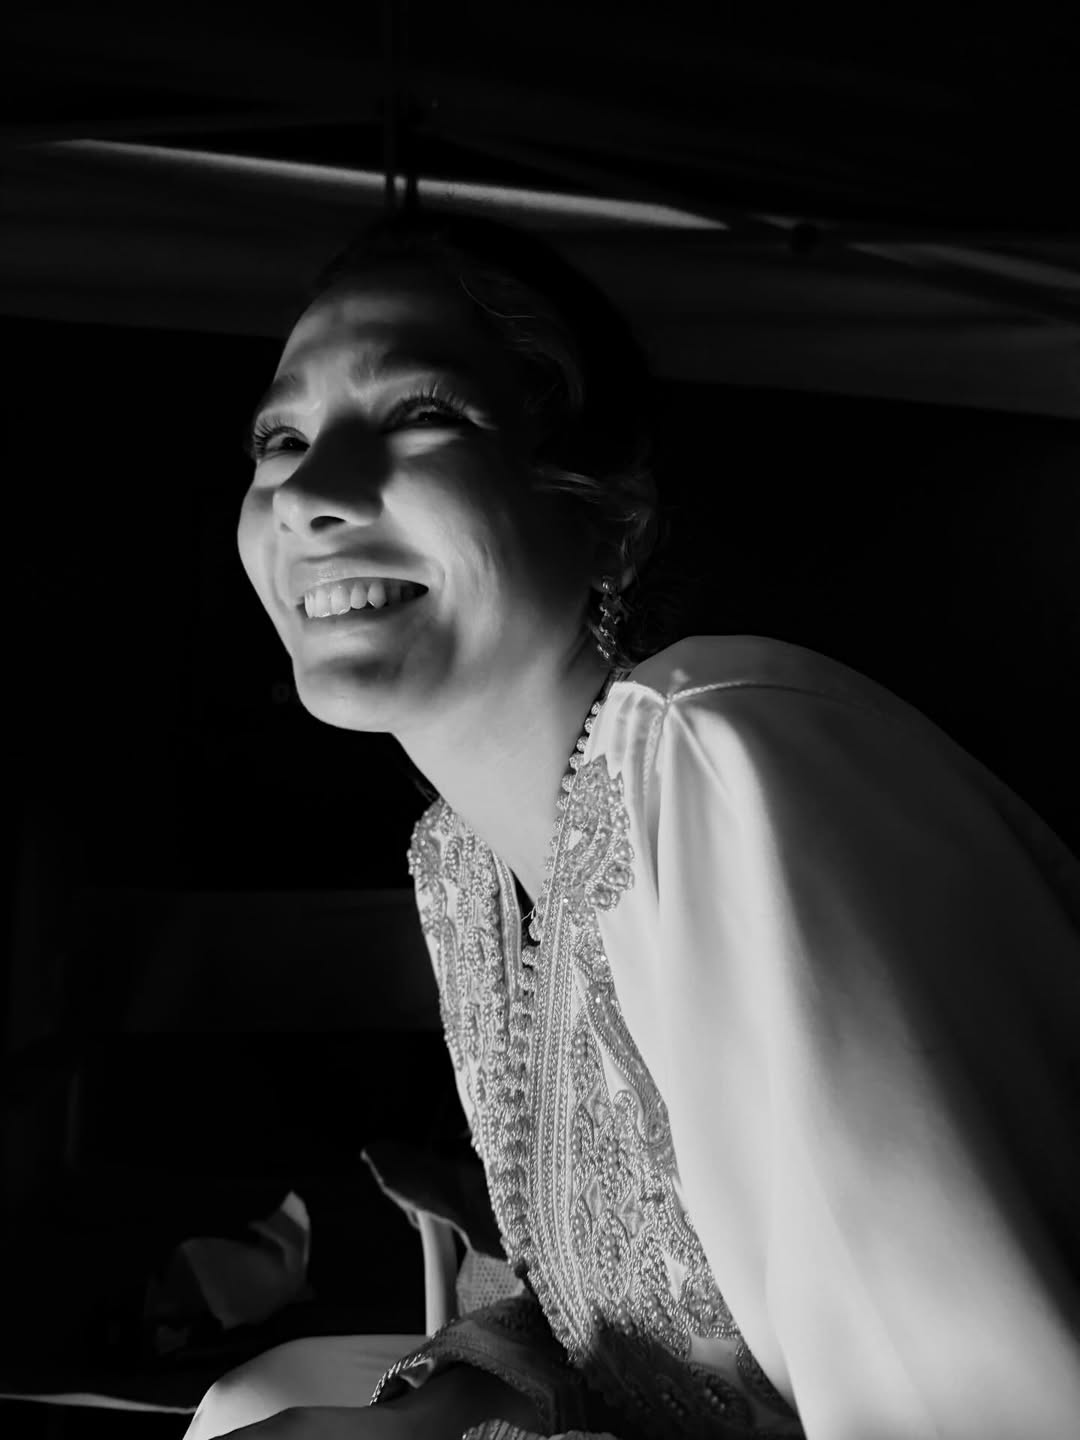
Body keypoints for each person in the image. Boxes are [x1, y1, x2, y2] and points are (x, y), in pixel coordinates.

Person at [186, 205, 1080, 1440]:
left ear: (603, 513)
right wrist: (441, 1402)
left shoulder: (715, 762)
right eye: (280, 439)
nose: (310, 495)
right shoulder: (462, 865)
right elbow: (594, 1311)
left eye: (421, 414)